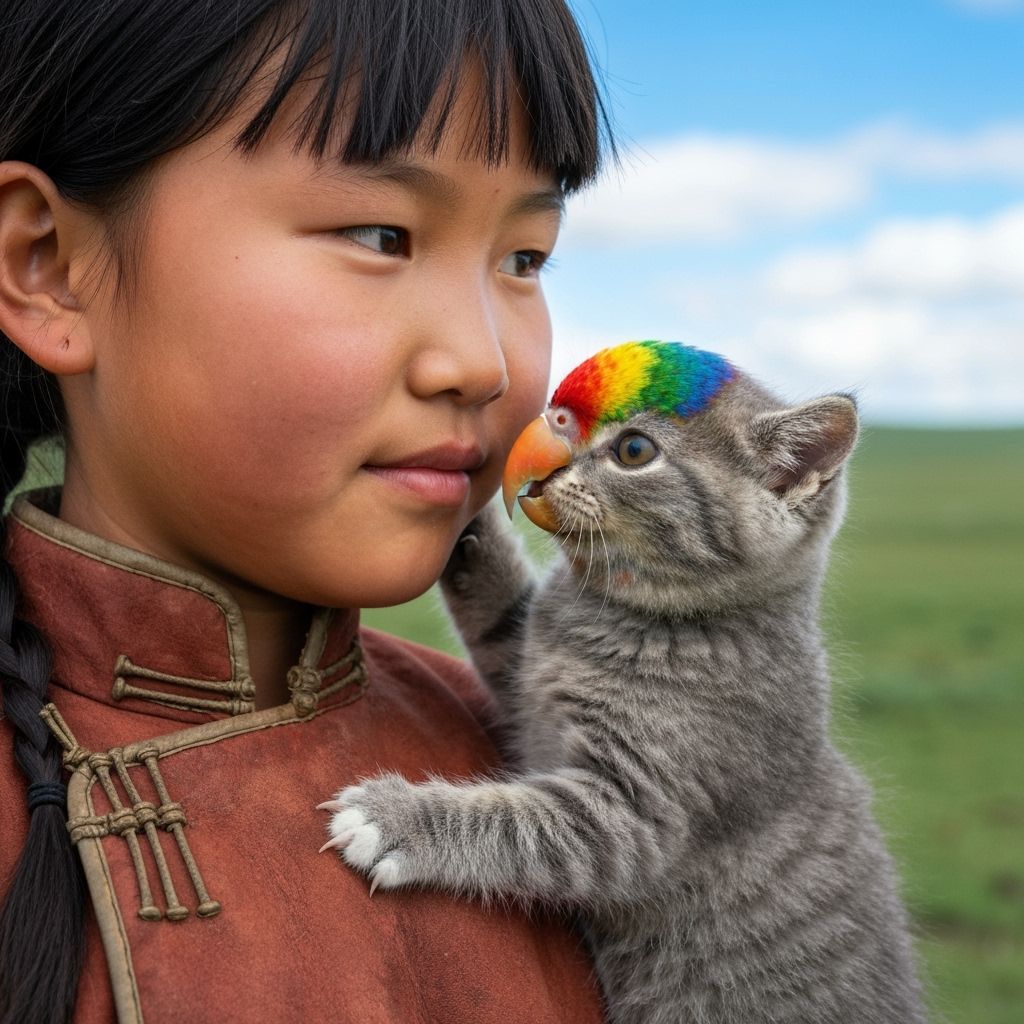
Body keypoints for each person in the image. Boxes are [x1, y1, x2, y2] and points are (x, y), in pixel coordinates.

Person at [0, 2, 612, 1021]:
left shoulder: (541, 769)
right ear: (50, 268)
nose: (480, 362)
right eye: (381, 235)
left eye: (525, 257)